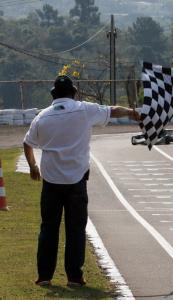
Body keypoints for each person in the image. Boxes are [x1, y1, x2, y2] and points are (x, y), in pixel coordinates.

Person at [23, 75, 141, 287]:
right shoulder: (84, 109)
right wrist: (132, 113)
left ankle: (44, 276)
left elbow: (27, 142)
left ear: (53, 95)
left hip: (51, 181)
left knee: (49, 228)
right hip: (76, 180)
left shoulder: (42, 117)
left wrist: (32, 165)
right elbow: (113, 110)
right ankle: (74, 277)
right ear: (74, 93)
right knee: (75, 229)